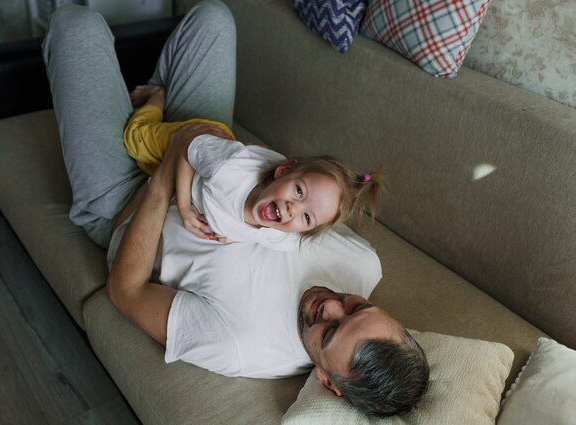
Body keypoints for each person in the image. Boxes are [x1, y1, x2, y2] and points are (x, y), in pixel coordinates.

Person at [42, 0, 429, 417]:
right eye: (358, 307)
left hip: (125, 202)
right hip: (209, 165)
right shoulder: (363, 265)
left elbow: (126, 292)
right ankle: (151, 109)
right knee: (214, 17)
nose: (332, 304)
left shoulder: (241, 344)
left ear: (328, 383)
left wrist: (164, 177)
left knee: (74, 24)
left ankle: (149, 108)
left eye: (330, 330)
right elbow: (308, 198)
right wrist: (203, 153)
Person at [124, 84, 384, 249]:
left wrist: (235, 234)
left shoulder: (283, 237)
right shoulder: (229, 172)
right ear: (282, 172)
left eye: (307, 217)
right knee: (134, 139)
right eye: (299, 191)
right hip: (194, 146)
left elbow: (261, 235)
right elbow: (186, 144)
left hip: (212, 158)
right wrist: (183, 206)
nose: (294, 209)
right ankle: (155, 97)